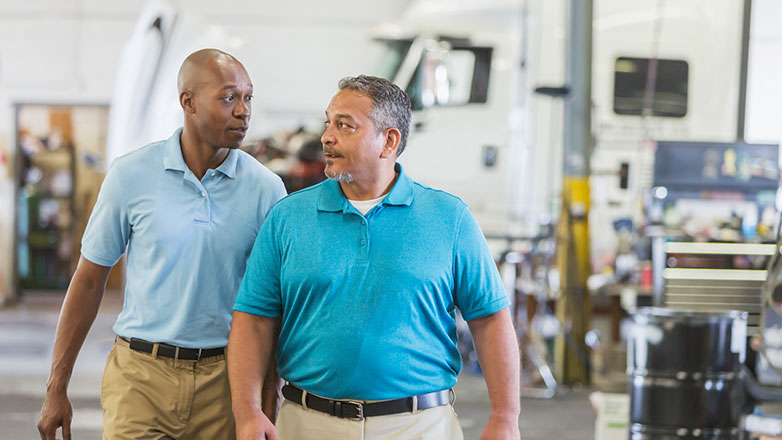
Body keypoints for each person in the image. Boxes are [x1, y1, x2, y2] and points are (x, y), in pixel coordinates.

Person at [228, 75, 521, 440]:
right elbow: (254, 320)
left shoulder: (450, 218)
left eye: (345, 126)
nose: (327, 137)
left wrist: (505, 417)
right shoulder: (288, 217)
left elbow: (490, 320)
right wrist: (247, 412)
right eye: (328, 123)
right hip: (308, 423)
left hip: (419, 426)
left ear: (389, 141)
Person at [37, 49, 286, 440]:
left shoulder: (266, 189)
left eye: (248, 98)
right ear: (188, 102)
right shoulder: (130, 175)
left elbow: (272, 304)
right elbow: (88, 281)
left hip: (227, 383)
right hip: (141, 378)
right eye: (228, 98)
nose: (243, 111)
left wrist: (267, 397)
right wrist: (56, 387)